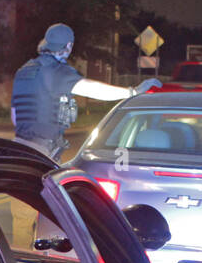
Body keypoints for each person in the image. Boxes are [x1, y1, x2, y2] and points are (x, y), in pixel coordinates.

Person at [11, 23, 160, 160]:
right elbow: (93, 89)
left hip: (18, 147)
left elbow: (14, 117)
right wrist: (132, 92)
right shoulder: (58, 72)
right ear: (69, 46)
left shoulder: (24, 71)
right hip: (42, 151)